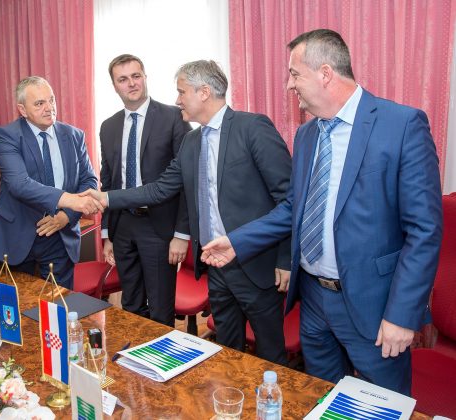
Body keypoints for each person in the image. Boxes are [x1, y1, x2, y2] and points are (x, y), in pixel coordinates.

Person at [201, 29, 442, 395]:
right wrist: (237, 242)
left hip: (374, 305)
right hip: (313, 299)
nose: (289, 85)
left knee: (382, 405)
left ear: (325, 73)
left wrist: (402, 314)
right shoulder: (307, 134)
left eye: (294, 74)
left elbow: (424, 230)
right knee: (320, 398)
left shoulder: (402, 125)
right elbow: (294, 208)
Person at [78, 60, 292, 363]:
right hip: (216, 265)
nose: (178, 100)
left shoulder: (252, 127)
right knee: (227, 352)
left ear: (203, 92)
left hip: (256, 264)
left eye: (182, 92)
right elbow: (159, 189)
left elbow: (288, 199)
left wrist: (285, 258)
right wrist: (106, 198)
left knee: (271, 355)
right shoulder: (192, 141)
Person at [100, 54, 192, 326]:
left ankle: (162, 353)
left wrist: (181, 234)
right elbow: (108, 183)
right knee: (130, 305)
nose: (131, 83)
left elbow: (187, 180)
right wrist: (107, 234)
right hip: (122, 226)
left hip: (159, 225)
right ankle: (136, 353)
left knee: (161, 310)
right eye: (123, 79)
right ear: (115, 86)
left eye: (136, 76)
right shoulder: (108, 126)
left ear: (145, 77)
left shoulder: (174, 117)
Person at [0, 76, 100, 289]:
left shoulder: (74, 135)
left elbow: (89, 180)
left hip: (60, 235)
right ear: (22, 109)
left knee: (58, 301)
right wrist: (71, 201)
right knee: (18, 302)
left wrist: (66, 216)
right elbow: (20, 184)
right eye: (39, 103)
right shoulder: (7, 135)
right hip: (19, 234)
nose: (49, 108)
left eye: (51, 100)